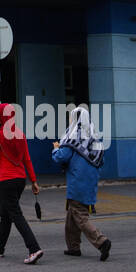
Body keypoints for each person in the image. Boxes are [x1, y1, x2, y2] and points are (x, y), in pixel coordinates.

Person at [0, 101, 43, 264]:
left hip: (7, 181)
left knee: (15, 215)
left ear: (0, 117)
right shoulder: (20, 134)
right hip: (20, 180)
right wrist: (34, 181)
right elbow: (27, 160)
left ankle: (34, 248)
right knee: (5, 215)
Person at [52, 105, 111, 261]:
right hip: (90, 182)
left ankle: (102, 241)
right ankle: (73, 247)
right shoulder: (95, 137)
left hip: (77, 182)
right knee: (72, 216)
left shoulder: (72, 137)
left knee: (80, 216)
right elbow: (101, 160)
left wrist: (56, 148)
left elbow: (60, 157)